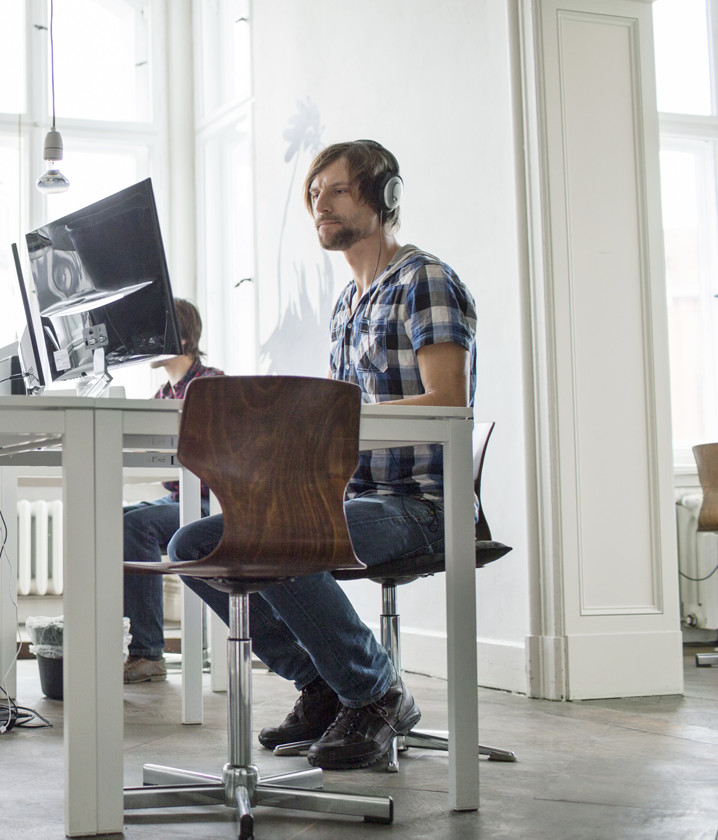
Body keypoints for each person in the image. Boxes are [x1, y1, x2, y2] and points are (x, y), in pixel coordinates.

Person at [167, 139, 476, 770]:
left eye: (336, 190)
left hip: (419, 503)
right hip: (352, 496)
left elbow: (449, 404)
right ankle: (323, 685)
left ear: (384, 197)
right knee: (190, 546)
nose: (320, 206)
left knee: (279, 537)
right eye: (314, 195)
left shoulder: (425, 281)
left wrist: (331, 424)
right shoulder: (347, 305)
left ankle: (376, 693)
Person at [121, 299, 223, 683]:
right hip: (183, 496)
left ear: (181, 337)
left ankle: (148, 654)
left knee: (136, 526)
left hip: (213, 499)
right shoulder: (164, 394)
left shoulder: (211, 384)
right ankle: (132, 646)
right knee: (118, 518)